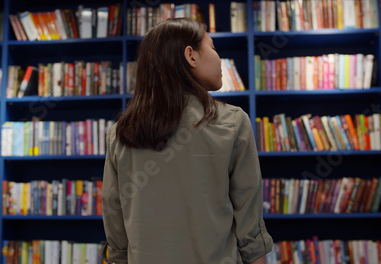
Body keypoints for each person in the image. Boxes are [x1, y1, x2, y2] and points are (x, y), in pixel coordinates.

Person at [102, 18, 273, 264]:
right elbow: (251, 233)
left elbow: (114, 222)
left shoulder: (120, 134)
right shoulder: (233, 122)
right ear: (191, 56)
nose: (219, 58)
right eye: (213, 47)